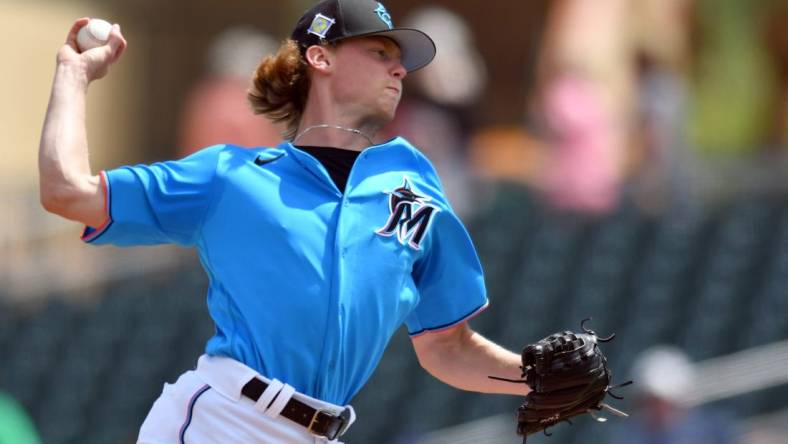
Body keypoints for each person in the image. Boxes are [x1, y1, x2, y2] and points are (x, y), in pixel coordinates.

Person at [38, 1, 529, 443]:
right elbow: (67, 191)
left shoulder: (415, 183)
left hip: (322, 432)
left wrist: (534, 376)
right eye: (380, 51)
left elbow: (446, 346)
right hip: (225, 423)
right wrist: (73, 75)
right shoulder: (230, 177)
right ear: (322, 57)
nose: (400, 68)